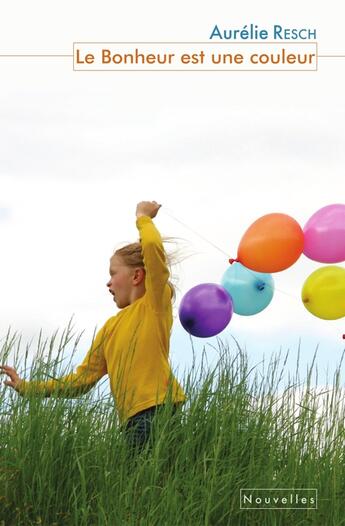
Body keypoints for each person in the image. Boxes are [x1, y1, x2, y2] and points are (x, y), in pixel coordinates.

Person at [0, 200, 186, 453]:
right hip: (132, 421)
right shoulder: (110, 328)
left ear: (136, 276)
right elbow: (81, 380)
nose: (108, 283)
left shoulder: (154, 304)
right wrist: (28, 387)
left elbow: (153, 248)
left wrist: (143, 217)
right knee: (141, 487)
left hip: (158, 410)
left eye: (113, 273)